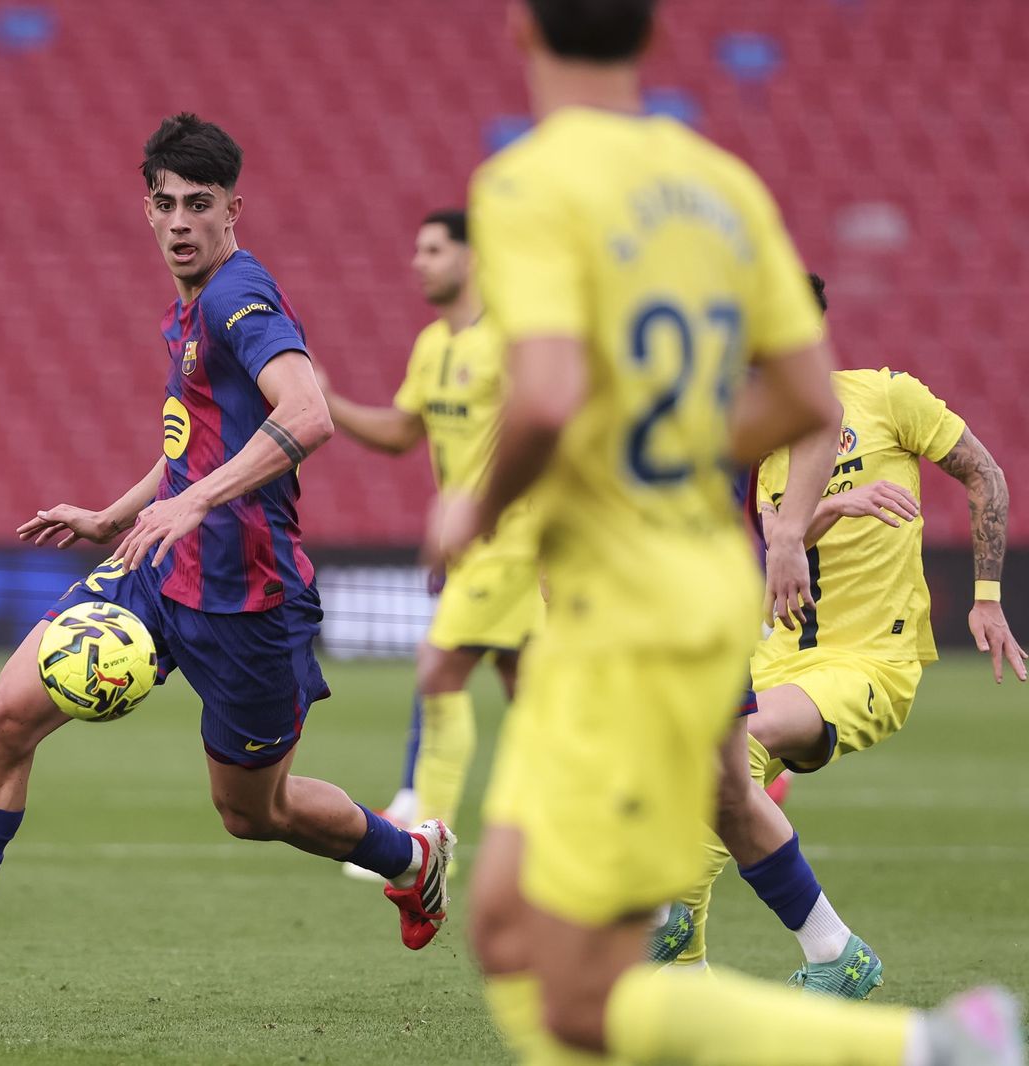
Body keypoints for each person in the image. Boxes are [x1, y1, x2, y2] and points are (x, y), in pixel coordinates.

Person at [443, 1, 1021, 1063]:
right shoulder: (722, 190)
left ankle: (924, 1046)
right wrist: (749, 496)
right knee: (509, 928)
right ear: (652, 35)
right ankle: (823, 972)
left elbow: (543, 398)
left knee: (561, 976)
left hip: (629, 604)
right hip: (704, 595)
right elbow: (808, 397)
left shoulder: (526, 184)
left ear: (521, 30)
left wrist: (469, 511)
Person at [0, 113, 455, 998]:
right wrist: (117, 513)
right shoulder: (185, 308)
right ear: (147, 210)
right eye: (164, 203)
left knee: (255, 813)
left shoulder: (237, 299)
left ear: (232, 210)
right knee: (1, 717)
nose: (179, 221)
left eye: (198, 204)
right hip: (152, 565)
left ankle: (410, 857)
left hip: (245, 597)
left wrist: (193, 501)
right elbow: (194, 447)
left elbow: (309, 414)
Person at [673, 271, 1024, 990]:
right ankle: (689, 969)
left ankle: (680, 923)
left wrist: (987, 597)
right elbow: (779, 539)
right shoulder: (753, 446)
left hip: (869, 662)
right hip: (778, 659)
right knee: (698, 773)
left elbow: (986, 475)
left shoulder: (887, 396)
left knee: (741, 748)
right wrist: (835, 507)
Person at [317, 209, 543, 855]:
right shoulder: (433, 344)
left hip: (514, 540)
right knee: (532, 694)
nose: (418, 261)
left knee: (438, 668)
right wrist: (328, 401)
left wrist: (480, 511)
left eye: (434, 249)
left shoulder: (507, 341)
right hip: (472, 545)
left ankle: (426, 841)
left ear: (471, 258)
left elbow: (541, 432)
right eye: (417, 249)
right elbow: (400, 433)